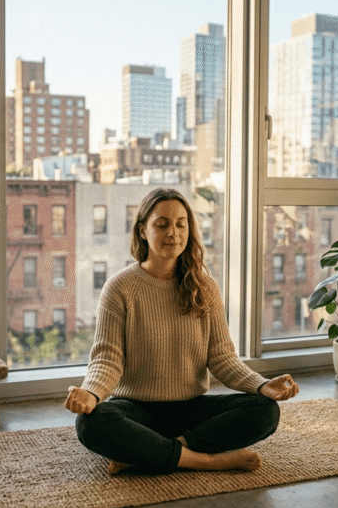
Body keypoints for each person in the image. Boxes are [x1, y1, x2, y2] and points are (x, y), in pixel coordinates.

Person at [65, 187, 299, 475]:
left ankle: (148, 453)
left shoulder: (205, 287)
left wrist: (261, 385)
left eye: (180, 224)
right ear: (142, 231)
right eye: (161, 224)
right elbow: (107, 359)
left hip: (191, 409)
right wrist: (91, 393)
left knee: (265, 411)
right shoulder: (120, 288)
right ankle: (208, 461)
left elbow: (222, 358)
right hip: (137, 410)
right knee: (90, 423)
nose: (172, 233)